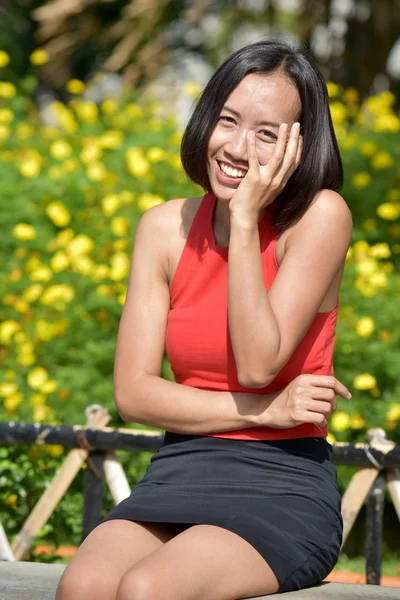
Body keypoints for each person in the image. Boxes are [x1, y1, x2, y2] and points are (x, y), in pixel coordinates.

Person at [56, 38, 353, 600]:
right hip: (180, 470)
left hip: (281, 487)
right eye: (228, 121)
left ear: (299, 146)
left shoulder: (320, 217)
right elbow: (135, 393)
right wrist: (267, 411)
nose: (238, 147)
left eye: (266, 134)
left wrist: (244, 222)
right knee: (84, 586)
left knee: (147, 589)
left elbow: (260, 361)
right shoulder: (163, 228)